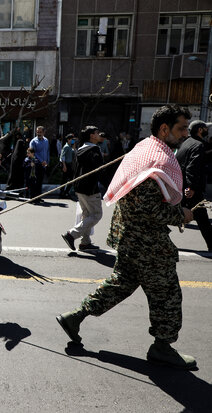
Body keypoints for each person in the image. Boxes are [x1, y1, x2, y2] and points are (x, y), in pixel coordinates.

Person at [56, 104, 197, 371]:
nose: (184, 134)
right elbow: (149, 207)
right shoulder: (155, 159)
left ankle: (75, 317)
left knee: (120, 284)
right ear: (164, 129)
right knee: (167, 296)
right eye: (180, 129)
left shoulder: (145, 149)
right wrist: (182, 215)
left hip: (131, 237)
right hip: (148, 243)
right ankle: (162, 347)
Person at [61, 126, 105, 251]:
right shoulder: (95, 150)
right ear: (91, 135)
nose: (99, 134)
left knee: (87, 214)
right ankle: (71, 234)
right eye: (97, 133)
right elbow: (99, 170)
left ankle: (85, 242)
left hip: (79, 187)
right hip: (90, 188)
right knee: (96, 215)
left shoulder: (80, 149)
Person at [175, 120, 212, 251]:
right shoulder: (198, 145)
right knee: (202, 219)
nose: (207, 130)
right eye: (205, 128)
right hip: (190, 189)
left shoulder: (186, 143)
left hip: (181, 186)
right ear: (200, 130)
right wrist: (192, 187)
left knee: (179, 214)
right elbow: (192, 167)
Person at [29, 126, 49, 198]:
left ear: (44, 132)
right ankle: (33, 197)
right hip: (36, 164)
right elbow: (33, 153)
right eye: (37, 132)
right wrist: (41, 161)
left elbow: (47, 151)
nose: (38, 133)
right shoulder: (33, 141)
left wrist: (47, 161)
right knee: (35, 182)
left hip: (44, 164)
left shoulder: (46, 141)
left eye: (40, 132)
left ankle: (38, 197)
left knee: (40, 181)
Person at [59, 133, 76, 198]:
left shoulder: (70, 146)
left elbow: (75, 154)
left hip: (70, 165)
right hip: (66, 164)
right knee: (64, 180)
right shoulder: (66, 146)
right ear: (68, 139)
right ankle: (62, 192)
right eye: (72, 139)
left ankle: (66, 192)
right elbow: (62, 156)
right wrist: (64, 165)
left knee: (71, 179)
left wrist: (74, 147)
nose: (73, 141)